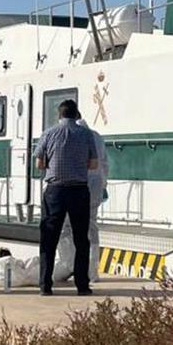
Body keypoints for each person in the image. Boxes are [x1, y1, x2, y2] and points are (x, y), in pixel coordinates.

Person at [35, 99, 99, 296]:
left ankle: (45, 285)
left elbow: (39, 163)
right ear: (76, 115)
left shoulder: (48, 133)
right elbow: (94, 164)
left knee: (49, 238)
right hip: (79, 190)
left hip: (55, 190)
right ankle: (82, 285)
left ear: (59, 115)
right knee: (81, 239)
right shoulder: (86, 134)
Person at [54, 114, 109, 284]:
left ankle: (68, 265)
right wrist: (103, 185)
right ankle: (92, 272)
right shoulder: (96, 136)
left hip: (74, 187)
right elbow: (105, 163)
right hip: (95, 187)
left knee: (64, 228)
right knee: (90, 228)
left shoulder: (67, 135)